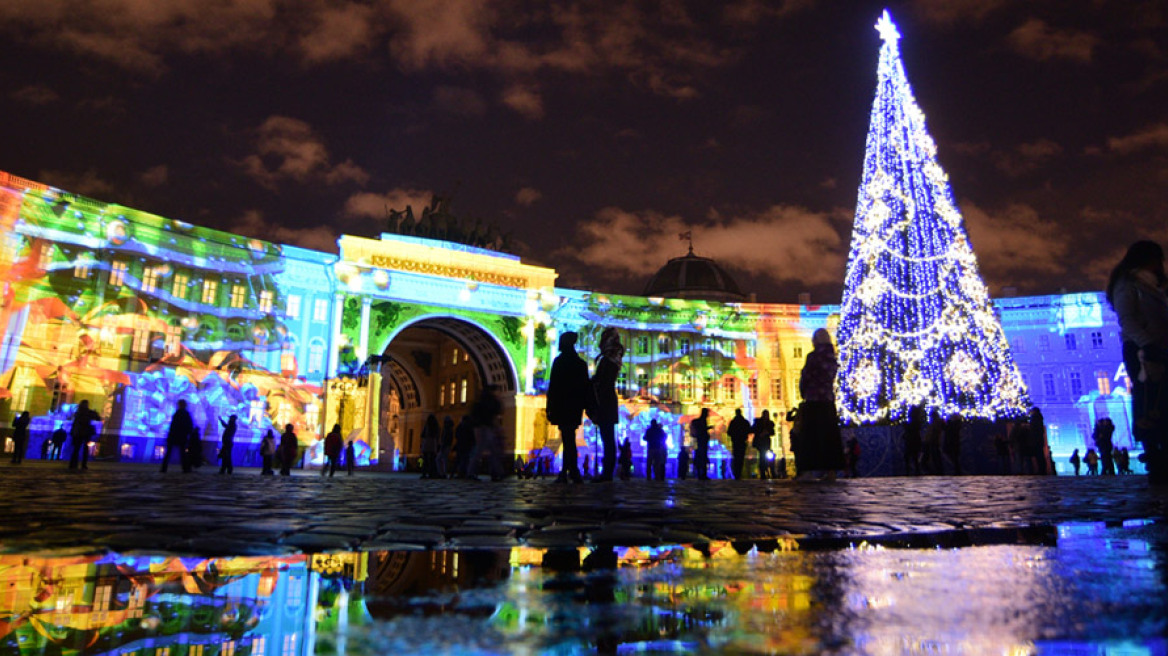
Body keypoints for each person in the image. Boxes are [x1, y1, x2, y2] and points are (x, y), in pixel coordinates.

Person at [1108, 240, 1168, 485]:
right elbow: (1128, 320)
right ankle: (1155, 458)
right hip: (1142, 350)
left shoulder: (1155, 286)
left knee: (1160, 401)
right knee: (1148, 402)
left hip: (1159, 348)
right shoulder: (1128, 285)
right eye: (1156, 259)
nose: (1159, 265)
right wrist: (1146, 344)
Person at [797, 329, 845, 480]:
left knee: (811, 436)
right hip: (828, 400)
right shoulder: (832, 357)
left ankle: (809, 471)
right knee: (829, 436)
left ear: (816, 341)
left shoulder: (813, 357)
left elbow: (806, 377)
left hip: (814, 399)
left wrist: (803, 391)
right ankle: (831, 471)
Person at [547, 332, 591, 483]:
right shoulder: (581, 364)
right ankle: (571, 471)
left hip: (562, 405)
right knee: (569, 437)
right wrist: (587, 406)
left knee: (568, 438)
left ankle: (569, 472)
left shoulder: (559, 362)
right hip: (575, 406)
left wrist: (549, 407)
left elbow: (553, 387)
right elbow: (586, 387)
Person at [587, 328, 624, 482]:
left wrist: (590, 383)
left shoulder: (607, 360)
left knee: (607, 438)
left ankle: (607, 473)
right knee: (608, 438)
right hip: (609, 400)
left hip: (604, 400)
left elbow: (601, 381)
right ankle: (607, 471)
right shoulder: (613, 358)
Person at [469, 386, 504, 480]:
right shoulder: (492, 402)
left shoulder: (479, 402)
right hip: (488, 428)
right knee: (492, 451)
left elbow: (473, 415)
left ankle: (471, 472)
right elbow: (497, 415)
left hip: (480, 428)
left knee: (479, 450)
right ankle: (496, 472)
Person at [68, 400, 102, 471]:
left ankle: (73, 464)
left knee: (76, 449)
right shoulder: (88, 412)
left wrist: (72, 432)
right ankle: (83, 464)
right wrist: (95, 414)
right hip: (85, 432)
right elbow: (98, 418)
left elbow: (75, 424)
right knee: (84, 449)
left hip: (78, 433)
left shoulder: (78, 413)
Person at [727, 409, 752, 480]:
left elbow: (729, 432)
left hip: (735, 442)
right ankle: (739, 473)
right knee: (741, 458)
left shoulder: (733, 422)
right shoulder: (744, 422)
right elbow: (749, 430)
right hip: (742, 441)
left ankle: (736, 474)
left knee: (736, 458)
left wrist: (734, 435)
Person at [752, 410, 775, 479]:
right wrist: (760, 433)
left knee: (764, 457)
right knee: (762, 456)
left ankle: (764, 471)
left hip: (766, 442)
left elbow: (773, 432)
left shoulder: (770, 423)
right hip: (760, 442)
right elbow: (753, 429)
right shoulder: (758, 422)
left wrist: (767, 432)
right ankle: (763, 472)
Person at [903, 405, 925, 475]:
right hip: (914, 441)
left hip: (912, 442)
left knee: (910, 457)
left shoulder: (915, 422)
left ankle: (910, 472)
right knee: (913, 457)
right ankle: (915, 471)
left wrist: (906, 427)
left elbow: (911, 430)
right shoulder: (917, 421)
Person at [690, 408, 711, 480]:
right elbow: (703, 430)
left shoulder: (700, 421)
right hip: (702, 442)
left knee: (700, 457)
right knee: (703, 458)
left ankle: (700, 473)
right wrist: (708, 428)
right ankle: (702, 474)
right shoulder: (703, 421)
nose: (708, 415)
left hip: (699, 442)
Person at [420, 413, 440, 479]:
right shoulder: (436, 426)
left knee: (425, 460)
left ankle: (424, 473)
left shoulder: (427, 426)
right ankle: (433, 473)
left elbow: (422, 434)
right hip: (433, 443)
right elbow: (437, 435)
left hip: (426, 442)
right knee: (432, 459)